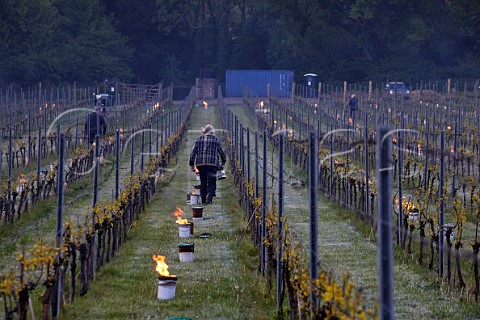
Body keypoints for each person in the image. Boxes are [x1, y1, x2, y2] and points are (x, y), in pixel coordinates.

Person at [189, 124, 226, 204]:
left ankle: (203, 198)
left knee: (203, 181)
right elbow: (221, 152)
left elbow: (193, 152)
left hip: (201, 164)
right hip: (212, 164)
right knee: (212, 182)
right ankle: (209, 199)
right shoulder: (215, 140)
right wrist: (223, 161)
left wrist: (192, 163)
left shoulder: (199, 139)